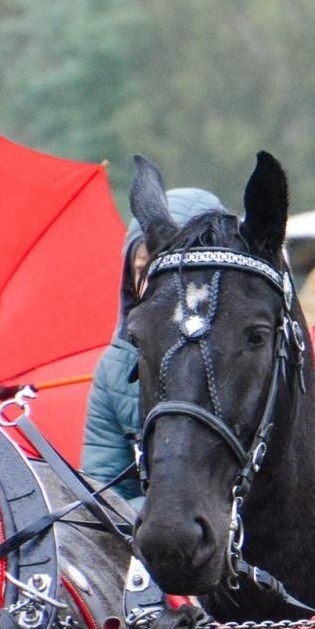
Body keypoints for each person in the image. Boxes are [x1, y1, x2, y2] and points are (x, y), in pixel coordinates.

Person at [81, 187, 226, 508]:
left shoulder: (249, 357)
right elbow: (103, 497)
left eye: (175, 268)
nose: (155, 284)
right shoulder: (114, 370)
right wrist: (162, 513)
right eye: (143, 268)